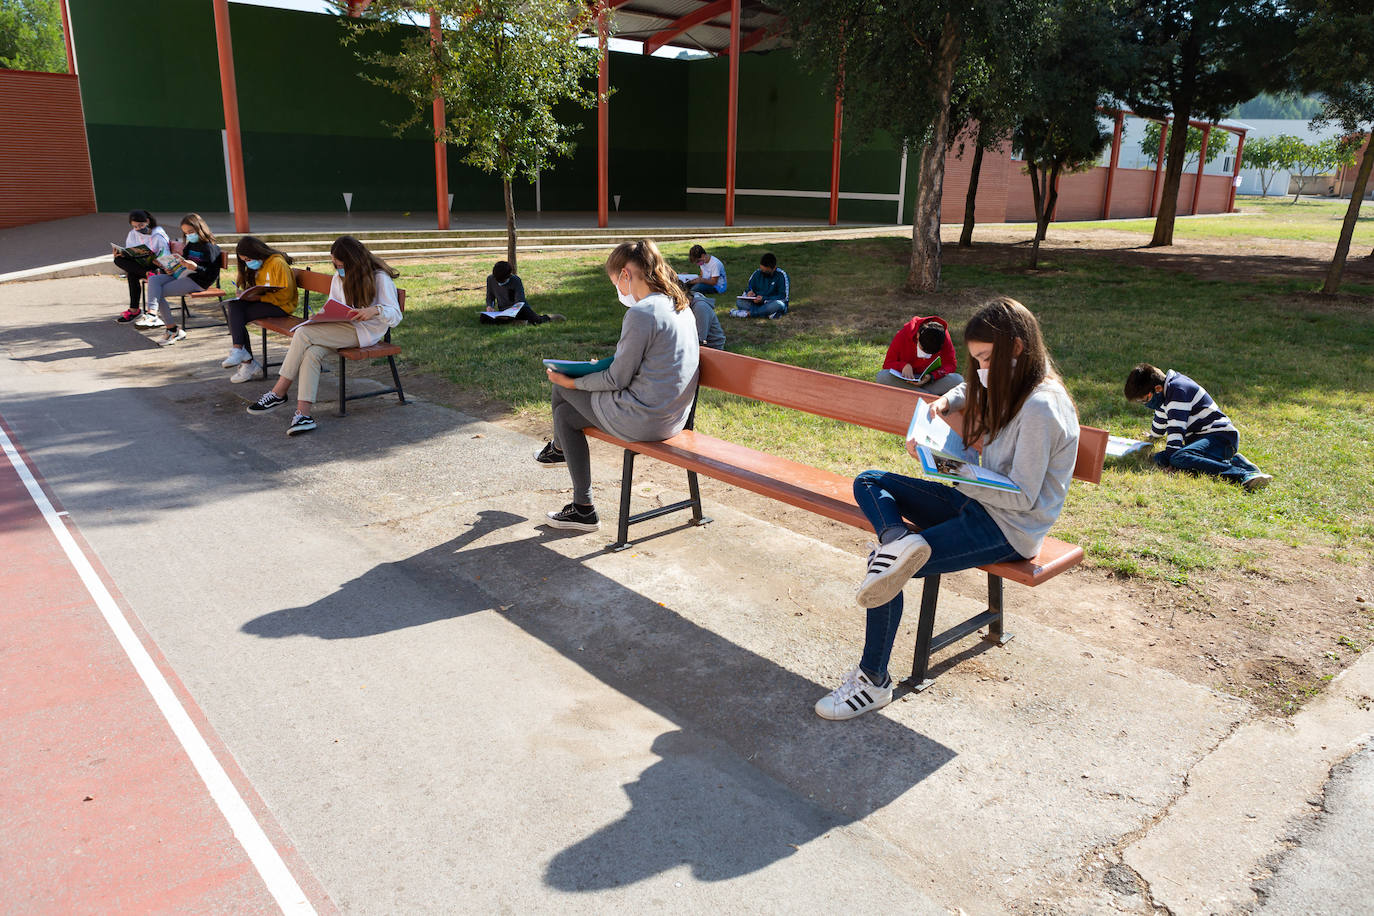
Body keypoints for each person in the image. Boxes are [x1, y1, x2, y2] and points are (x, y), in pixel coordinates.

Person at [816, 297, 1081, 721]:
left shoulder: (1041, 407)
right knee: (870, 481)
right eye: (975, 359)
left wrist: (957, 472)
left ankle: (873, 681)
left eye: (987, 358)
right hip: (975, 502)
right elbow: (967, 387)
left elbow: (1024, 497)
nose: (981, 370)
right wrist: (945, 404)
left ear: (1017, 347)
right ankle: (897, 541)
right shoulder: (1015, 380)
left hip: (1007, 527)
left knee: (887, 570)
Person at [534, 239, 700, 532]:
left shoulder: (640, 313)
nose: (618, 291)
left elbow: (616, 380)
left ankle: (560, 451)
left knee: (561, 389)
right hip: (674, 418)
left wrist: (571, 379)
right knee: (564, 417)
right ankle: (581, 507)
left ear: (626, 274)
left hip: (643, 419)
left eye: (615, 282)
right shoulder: (680, 305)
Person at [245, 236, 401, 436]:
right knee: (311, 352)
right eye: (335, 265)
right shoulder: (339, 278)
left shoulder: (379, 277)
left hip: (364, 332)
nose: (338, 269)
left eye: (340, 265)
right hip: (340, 328)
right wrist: (320, 317)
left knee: (302, 333)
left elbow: (395, 315)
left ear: (354, 261)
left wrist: (376, 310)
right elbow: (334, 305)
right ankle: (303, 414)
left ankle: (278, 392)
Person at [1124, 363, 1272, 491]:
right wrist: (1152, 437)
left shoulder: (1178, 391)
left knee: (1177, 458)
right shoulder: (1166, 390)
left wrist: (1172, 462)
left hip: (1221, 437)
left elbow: (1176, 431)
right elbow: (1161, 418)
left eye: (1144, 400)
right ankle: (1233, 461)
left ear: (1156, 389)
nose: (1144, 404)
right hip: (1204, 440)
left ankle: (1243, 473)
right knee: (1159, 458)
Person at [221, 237, 299, 382]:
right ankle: (240, 351)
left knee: (238, 316)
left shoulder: (277, 263)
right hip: (266, 303)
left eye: (248, 259)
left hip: (282, 306)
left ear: (258, 253)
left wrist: (258, 298)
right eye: (244, 260)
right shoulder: (259, 266)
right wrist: (246, 293)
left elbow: (286, 295)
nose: (248, 263)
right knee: (234, 306)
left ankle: (246, 361)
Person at [145, 214, 222, 346]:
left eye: (191, 232)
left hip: (199, 281)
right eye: (186, 233)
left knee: (159, 292)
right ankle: (152, 314)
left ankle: (172, 330)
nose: (189, 235)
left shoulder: (210, 247)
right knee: (154, 281)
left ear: (200, 229)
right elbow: (182, 262)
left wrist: (196, 267)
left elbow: (210, 273)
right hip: (184, 275)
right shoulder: (190, 245)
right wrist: (170, 269)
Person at [875, 314, 964, 395]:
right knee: (882, 376)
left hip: (929, 381)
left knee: (958, 380)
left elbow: (951, 364)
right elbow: (887, 364)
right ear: (917, 336)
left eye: (931, 352)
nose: (926, 354)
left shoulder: (943, 336)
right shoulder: (903, 335)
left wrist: (932, 376)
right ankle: (930, 397)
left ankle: (916, 395)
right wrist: (903, 366)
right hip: (905, 381)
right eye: (923, 349)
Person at [112, 210, 171, 323]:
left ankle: (134, 310)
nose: (138, 228)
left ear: (147, 221)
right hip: (142, 267)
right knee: (118, 259)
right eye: (135, 226)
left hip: (156, 267)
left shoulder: (158, 234)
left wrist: (158, 261)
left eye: (141, 225)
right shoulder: (132, 234)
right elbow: (130, 250)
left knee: (132, 275)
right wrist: (122, 254)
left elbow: (166, 254)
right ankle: (146, 274)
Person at [480, 260, 563, 325]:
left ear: (508, 276)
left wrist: (510, 313)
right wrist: (489, 306)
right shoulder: (490, 279)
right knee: (483, 318)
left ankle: (549, 317)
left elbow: (520, 302)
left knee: (536, 320)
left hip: (519, 310)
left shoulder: (516, 280)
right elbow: (490, 296)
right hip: (502, 311)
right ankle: (516, 322)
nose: (499, 283)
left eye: (502, 280)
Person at [730, 252, 790, 319]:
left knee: (779, 305)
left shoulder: (781, 275)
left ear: (774, 268)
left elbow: (783, 296)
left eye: (766, 271)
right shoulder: (757, 273)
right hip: (756, 303)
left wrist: (764, 299)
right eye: (762, 270)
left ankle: (749, 314)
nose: (763, 272)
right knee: (739, 302)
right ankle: (768, 314)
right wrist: (749, 293)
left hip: (770, 303)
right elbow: (750, 288)